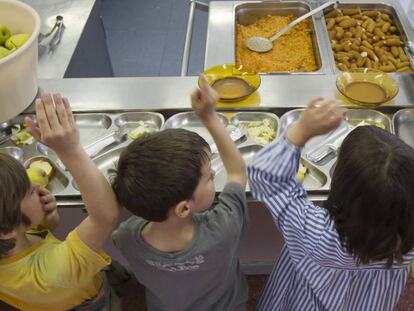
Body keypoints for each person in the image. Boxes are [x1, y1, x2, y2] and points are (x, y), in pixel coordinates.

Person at [248, 97, 414, 310]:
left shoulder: (319, 234)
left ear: (339, 179)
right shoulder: (406, 232)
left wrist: (301, 131)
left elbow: (266, 176)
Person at [111, 75, 249, 311]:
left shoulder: (125, 237)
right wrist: (209, 117)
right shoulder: (223, 226)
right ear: (183, 208)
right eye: (208, 176)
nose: (214, 173)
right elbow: (237, 171)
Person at [0, 94, 121, 311]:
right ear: (7, 229)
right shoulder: (51, 274)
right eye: (28, 192)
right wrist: (70, 150)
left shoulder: (10, 234)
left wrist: (46, 222)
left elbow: (32, 180)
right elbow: (105, 216)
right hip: (89, 302)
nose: (37, 187)